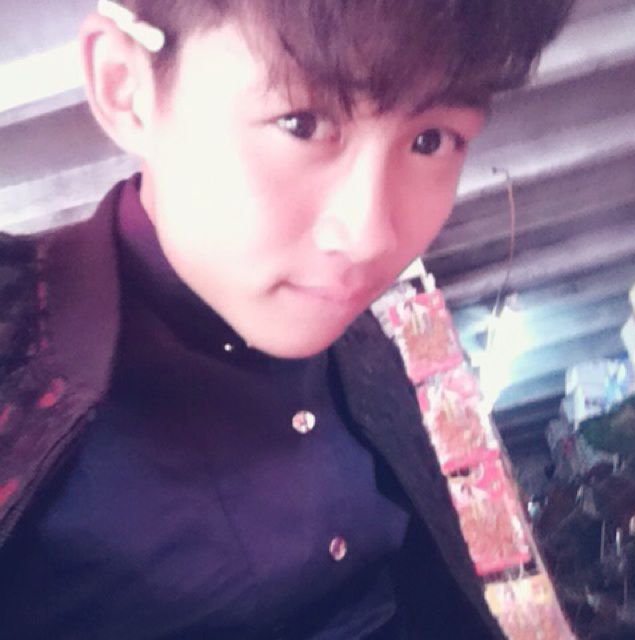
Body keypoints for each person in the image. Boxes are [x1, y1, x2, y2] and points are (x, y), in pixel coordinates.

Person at [0, 1, 575, 638]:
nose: (369, 237)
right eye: (301, 124)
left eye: (430, 141)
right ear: (125, 87)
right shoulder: (16, 352)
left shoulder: (367, 345)